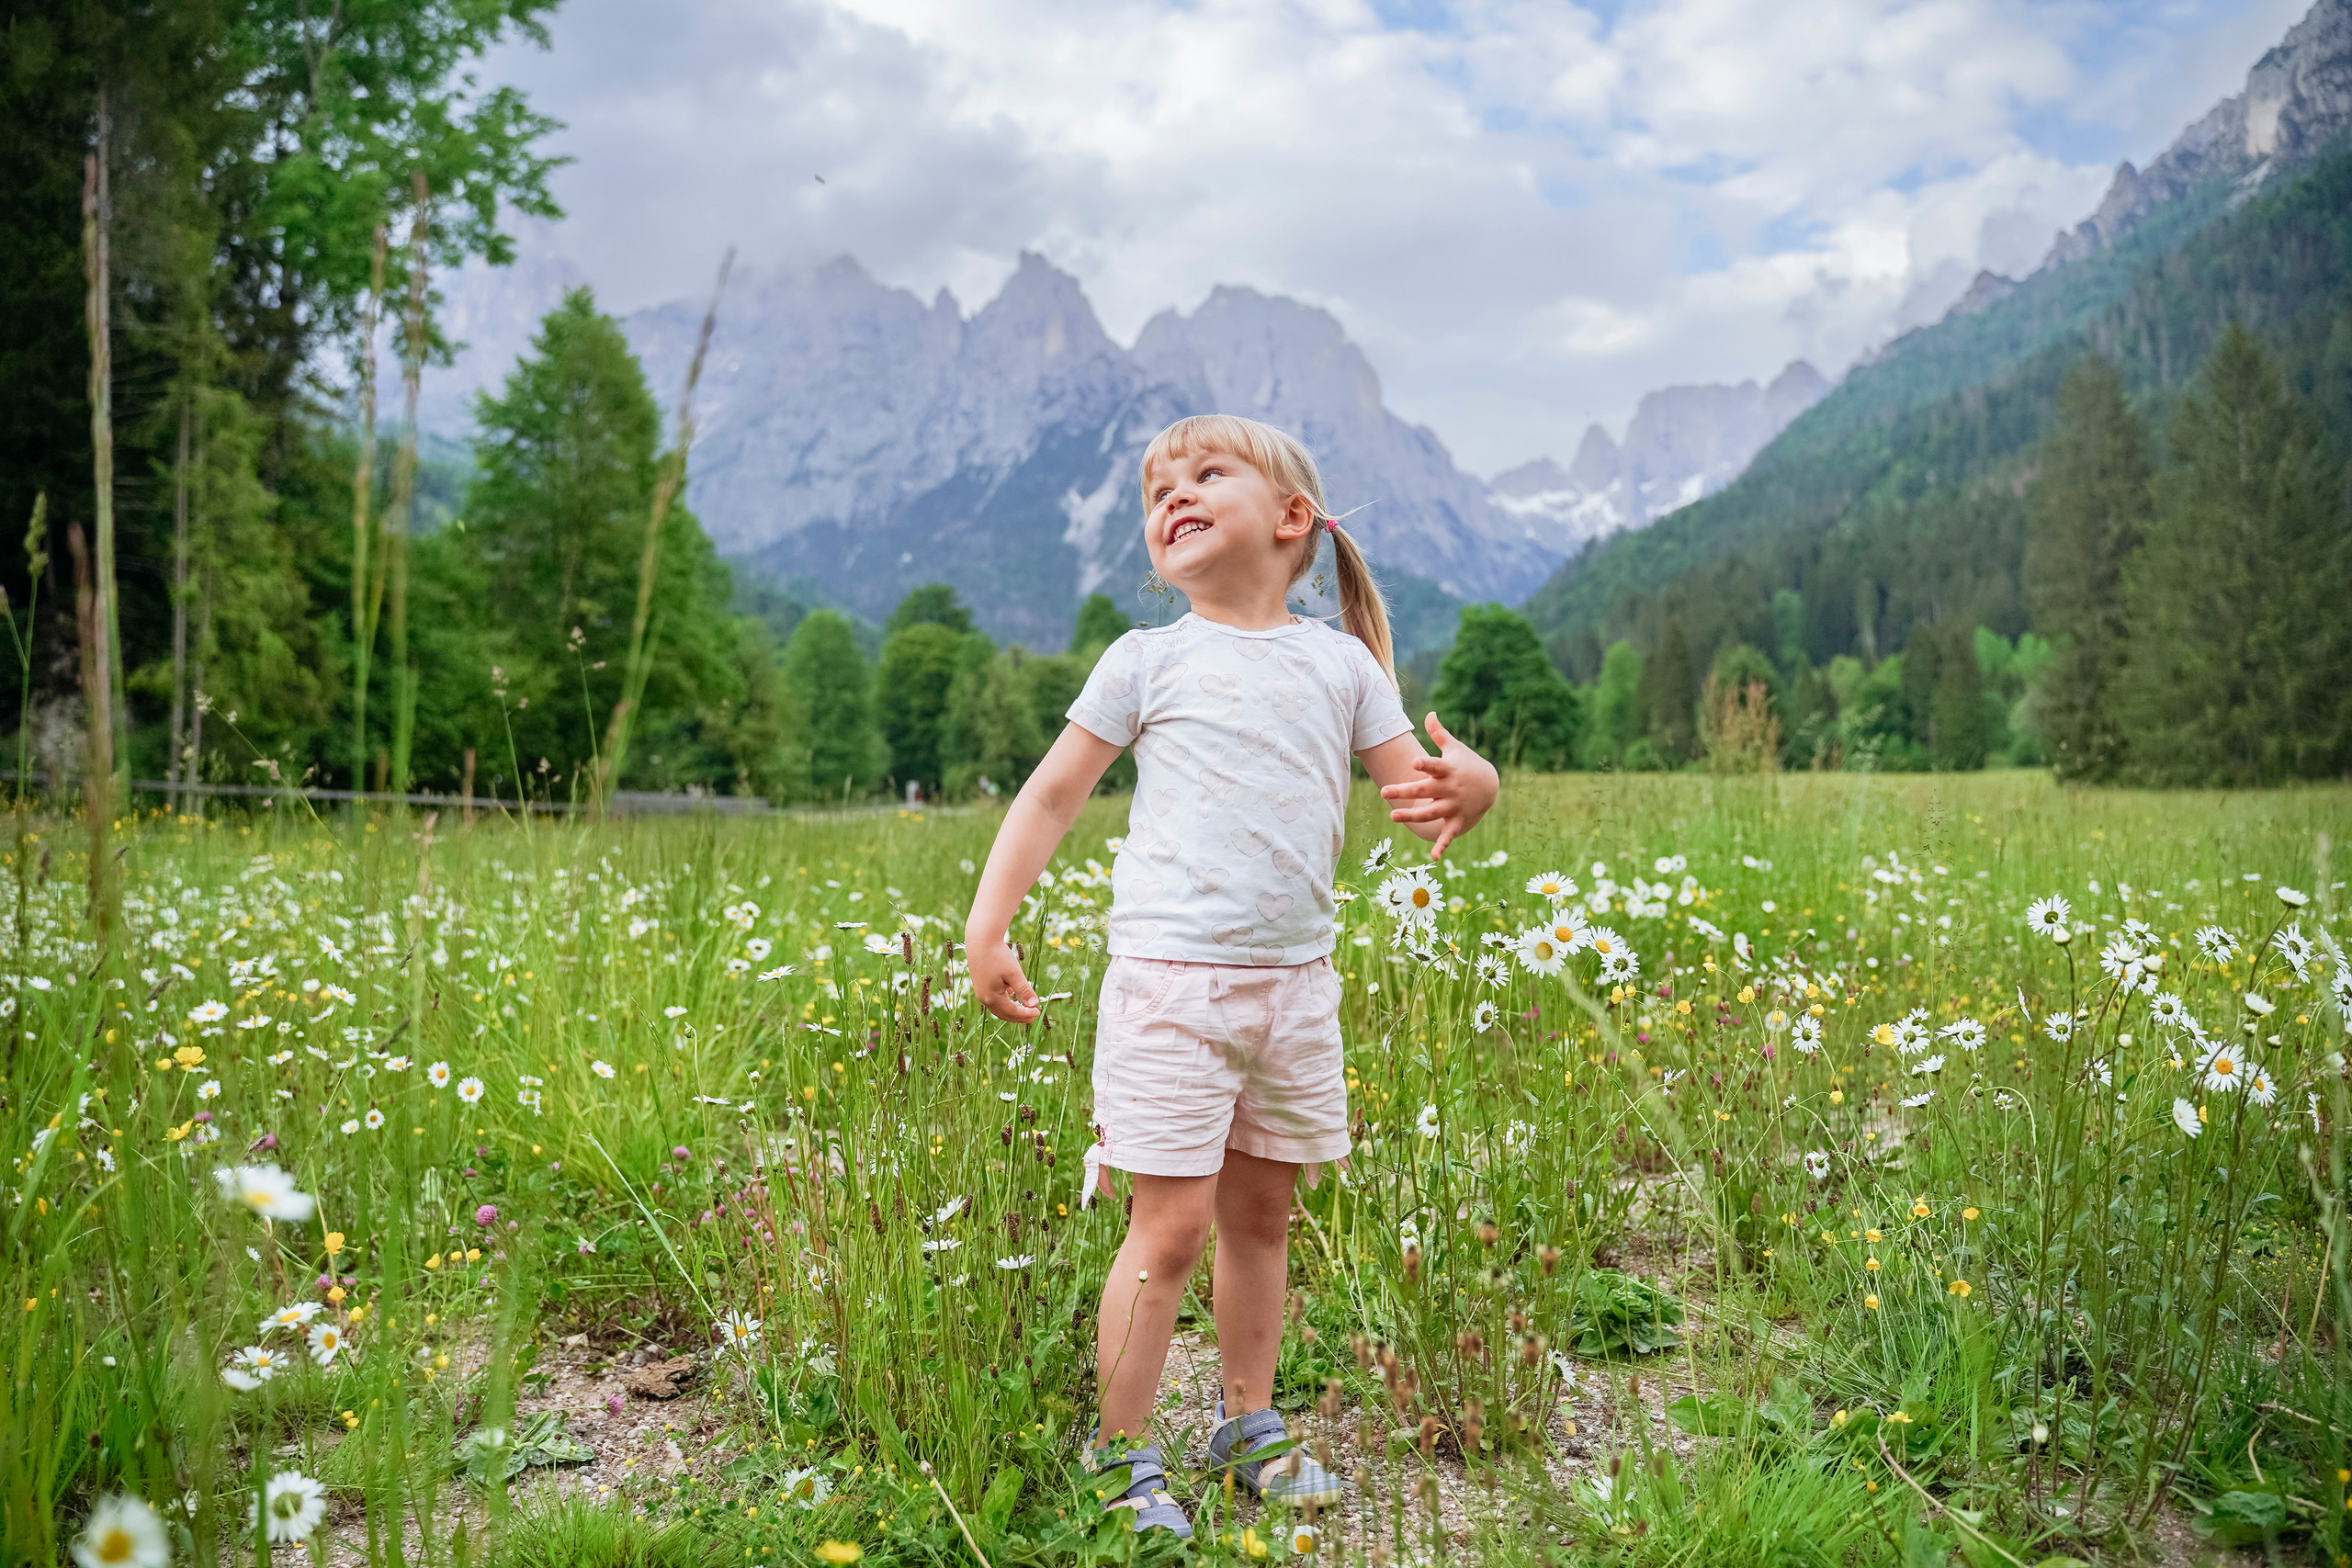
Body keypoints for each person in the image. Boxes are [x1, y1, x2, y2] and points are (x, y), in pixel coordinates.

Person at [961, 413, 1500, 1536]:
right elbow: (1051, 795)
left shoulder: (1341, 665)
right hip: (1171, 989)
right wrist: (988, 925)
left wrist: (1475, 786)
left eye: (1206, 474)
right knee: (1167, 1230)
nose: (1173, 497)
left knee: (1262, 1221)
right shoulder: (1146, 659)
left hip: (1295, 992)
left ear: (1292, 518)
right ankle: (1120, 1455)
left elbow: (1418, 792)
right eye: (1156, 491)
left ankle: (1247, 1425)